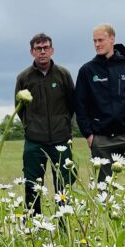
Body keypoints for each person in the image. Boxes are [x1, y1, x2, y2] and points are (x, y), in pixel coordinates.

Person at [14, 33, 76, 215]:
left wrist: (65, 126)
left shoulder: (63, 74)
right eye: (38, 49)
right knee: (32, 186)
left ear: (52, 50)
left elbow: (72, 104)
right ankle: (33, 228)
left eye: (46, 48)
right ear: (32, 52)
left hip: (61, 140)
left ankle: (64, 228)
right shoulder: (23, 77)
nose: (42, 52)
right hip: (34, 141)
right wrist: (30, 127)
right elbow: (19, 108)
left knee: (64, 186)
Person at [75, 24, 125, 183]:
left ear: (112, 39)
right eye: (94, 41)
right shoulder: (87, 70)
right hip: (101, 139)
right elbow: (80, 105)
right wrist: (89, 135)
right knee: (104, 188)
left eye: (101, 40)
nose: (97, 44)